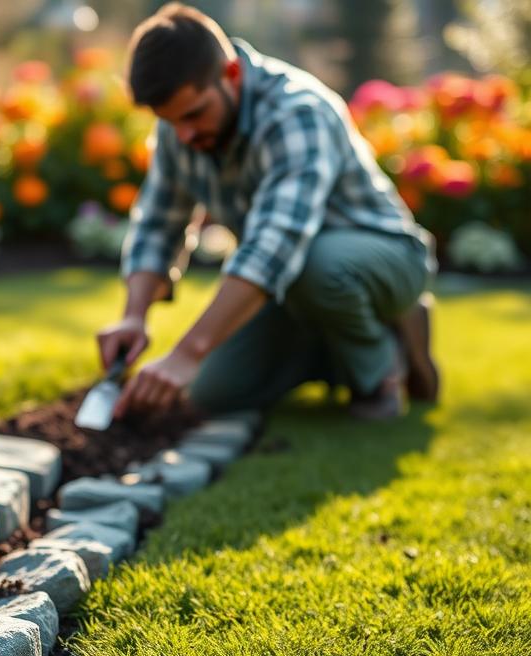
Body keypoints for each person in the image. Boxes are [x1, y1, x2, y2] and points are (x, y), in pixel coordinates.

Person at [97, 2, 439, 421]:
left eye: (194, 115)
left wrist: (187, 352)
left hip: (383, 258)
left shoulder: (296, 112)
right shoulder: (181, 128)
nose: (183, 135)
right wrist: (133, 317)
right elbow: (157, 223)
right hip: (293, 282)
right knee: (213, 392)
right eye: (170, 122)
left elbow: (275, 245)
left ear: (231, 74)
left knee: (318, 266)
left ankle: (381, 370)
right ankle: (330, 350)